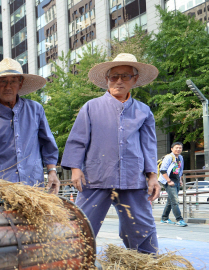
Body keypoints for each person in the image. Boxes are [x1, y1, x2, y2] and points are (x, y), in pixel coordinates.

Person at [61, 53, 161, 254]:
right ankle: (73, 267)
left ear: (134, 80)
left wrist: (153, 176)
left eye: (125, 76)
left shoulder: (144, 111)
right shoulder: (91, 107)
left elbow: (148, 145)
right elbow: (78, 140)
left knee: (142, 226)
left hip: (133, 178)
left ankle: (149, 266)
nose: (118, 81)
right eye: (113, 76)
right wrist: (75, 169)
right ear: (107, 79)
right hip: (97, 176)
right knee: (81, 225)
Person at [0, 58, 60, 193]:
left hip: (33, 187)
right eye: (3, 81)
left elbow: (48, 143)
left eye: (13, 81)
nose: (8, 87)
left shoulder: (35, 110)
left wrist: (52, 171)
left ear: (20, 83)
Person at [159, 142, 187, 226]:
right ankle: (179, 220)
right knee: (175, 201)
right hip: (169, 181)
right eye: (176, 147)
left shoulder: (180, 157)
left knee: (170, 201)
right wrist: (168, 181)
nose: (178, 149)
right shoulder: (168, 157)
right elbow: (163, 170)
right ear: (172, 149)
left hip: (176, 180)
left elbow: (180, 170)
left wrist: (180, 180)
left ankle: (164, 218)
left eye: (180, 148)